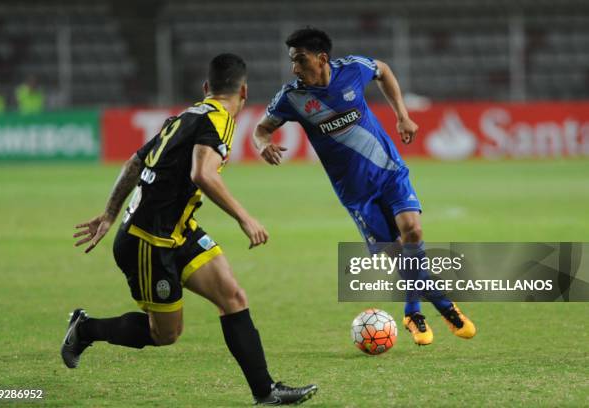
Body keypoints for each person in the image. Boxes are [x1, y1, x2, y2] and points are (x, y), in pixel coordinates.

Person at [62, 54, 318, 405]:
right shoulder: (220, 119)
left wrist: (109, 213)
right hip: (147, 241)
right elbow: (203, 173)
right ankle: (85, 329)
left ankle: (266, 392)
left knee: (233, 297)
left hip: (178, 230)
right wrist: (245, 218)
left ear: (205, 87)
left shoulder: (186, 116)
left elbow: (135, 162)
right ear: (244, 91)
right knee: (165, 334)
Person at [253, 28, 476, 346]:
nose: (294, 68)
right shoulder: (292, 98)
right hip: (356, 193)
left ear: (322, 58)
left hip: (389, 170)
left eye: (300, 60)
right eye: (292, 61)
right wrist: (262, 144)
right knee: (398, 256)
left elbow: (383, 70)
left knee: (412, 229)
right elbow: (261, 129)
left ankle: (432, 309)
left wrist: (402, 115)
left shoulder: (353, 69)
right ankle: (421, 308)